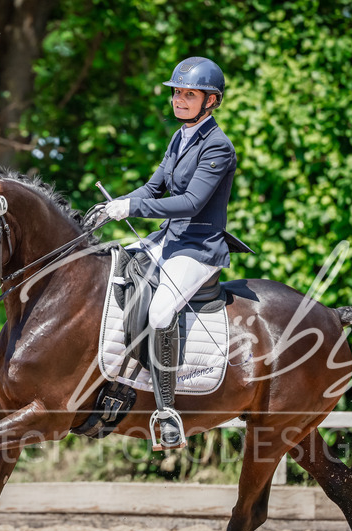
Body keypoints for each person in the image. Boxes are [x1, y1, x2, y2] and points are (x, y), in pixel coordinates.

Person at [97, 56, 252, 451]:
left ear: (211, 101)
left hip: (198, 247)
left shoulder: (219, 147)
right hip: (169, 237)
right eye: (176, 94)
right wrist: (113, 205)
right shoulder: (179, 137)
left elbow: (190, 203)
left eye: (189, 94)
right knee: (113, 267)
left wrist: (132, 210)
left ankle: (167, 413)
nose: (179, 101)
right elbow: (152, 189)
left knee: (162, 311)